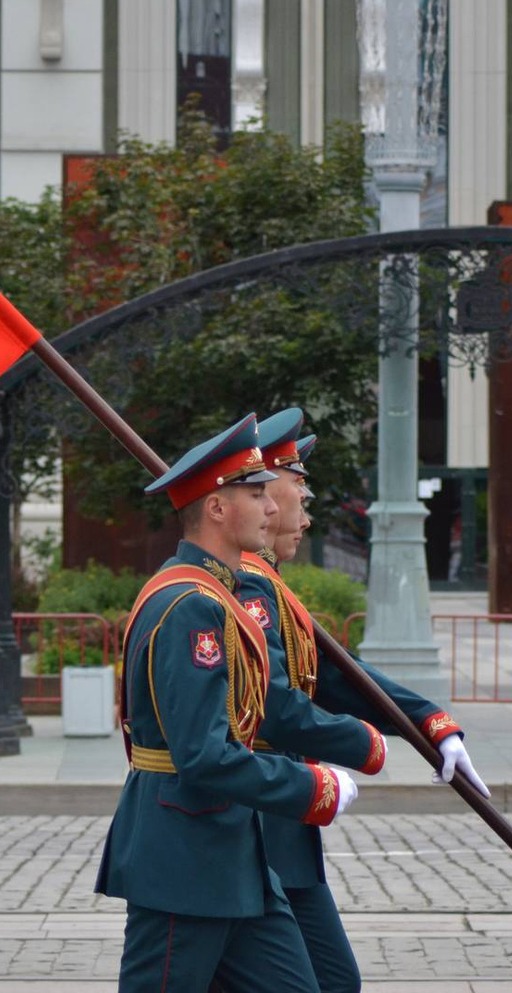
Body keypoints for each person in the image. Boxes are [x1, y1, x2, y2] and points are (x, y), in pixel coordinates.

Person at [95, 413, 359, 993]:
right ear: (217, 508)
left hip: (235, 854)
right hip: (183, 857)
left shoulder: (214, 592)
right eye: (257, 493)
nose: (272, 507)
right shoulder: (190, 603)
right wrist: (312, 788)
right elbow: (203, 755)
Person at [234, 407, 490, 993]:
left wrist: (431, 724)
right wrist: (367, 744)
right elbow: (277, 700)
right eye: (299, 487)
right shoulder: (247, 582)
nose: (304, 507)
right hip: (258, 817)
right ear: (266, 491)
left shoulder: (264, 580)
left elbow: (331, 672)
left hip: (279, 824)